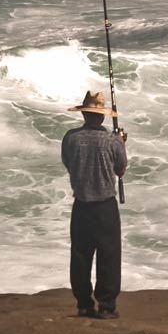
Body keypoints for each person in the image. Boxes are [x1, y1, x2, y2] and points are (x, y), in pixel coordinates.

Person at [61, 90, 128, 319]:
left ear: (84, 115)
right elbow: (120, 170)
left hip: (81, 204)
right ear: (101, 117)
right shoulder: (111, 140)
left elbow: (68, 164)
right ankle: (106, 305)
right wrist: (121, 143)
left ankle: (83, 304)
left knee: (80, 255)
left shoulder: (70, 137)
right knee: (108, 255)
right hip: (105, 206)